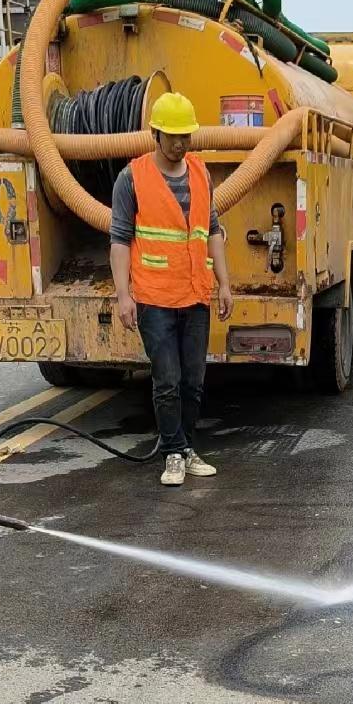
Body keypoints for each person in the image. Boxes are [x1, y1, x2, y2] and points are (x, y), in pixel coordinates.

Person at [110, 91, 233, 487]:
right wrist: (123, 295)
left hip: (196, 294)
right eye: (173, 136)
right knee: (167, 379)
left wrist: (225, 284)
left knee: (193, 380)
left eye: (187, 136)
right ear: (155, 134)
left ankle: (187, 446)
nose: (181, 144)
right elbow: (119, 239)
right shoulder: (132, 178)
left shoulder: (200, 173)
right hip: (154, 298)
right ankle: (172, 454)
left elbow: (212, 230)